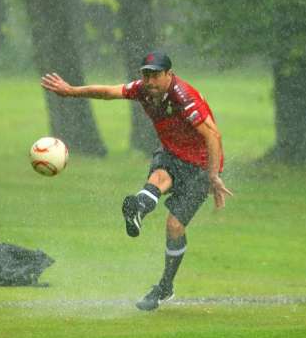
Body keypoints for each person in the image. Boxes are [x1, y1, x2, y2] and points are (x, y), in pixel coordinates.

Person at [40, 51, 232, 310]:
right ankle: (139, 210)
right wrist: (71, 91)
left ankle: (165, 287)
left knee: (174, 226)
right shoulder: (143, 90)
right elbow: (108, 92)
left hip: (201, 165)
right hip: (172, 153)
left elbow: (213, 136)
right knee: (159, 177)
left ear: (168, 74)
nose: (149, 81)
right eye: (145, 75)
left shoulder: (184, 97)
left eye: (155, 75)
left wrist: (213, 176)